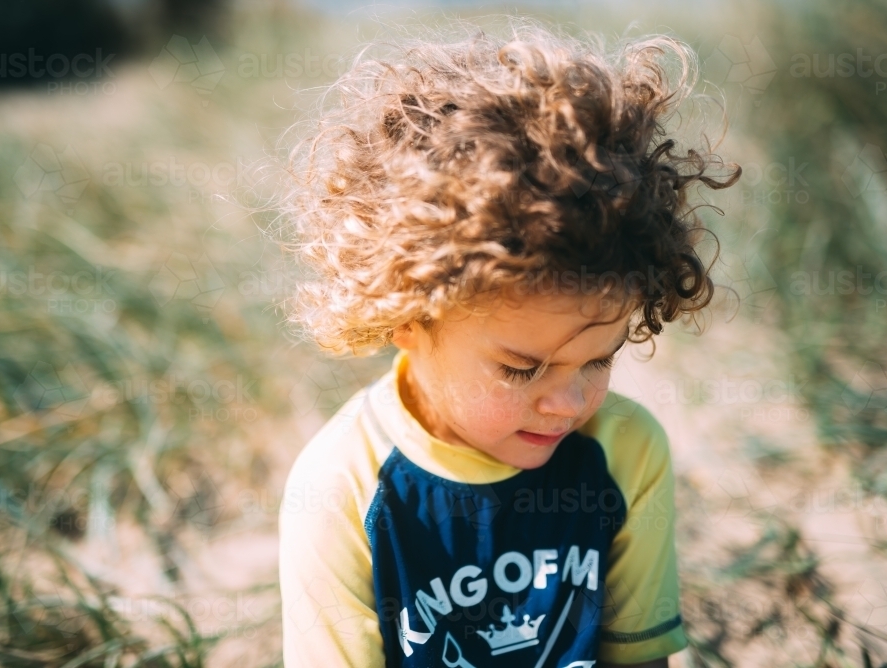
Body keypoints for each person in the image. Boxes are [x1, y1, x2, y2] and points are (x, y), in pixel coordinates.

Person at [277, 18, 740, 668]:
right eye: (523, 369)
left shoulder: (628, 453)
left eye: (600, 359)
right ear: (409, 318)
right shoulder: (339, 489)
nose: (570, 401)